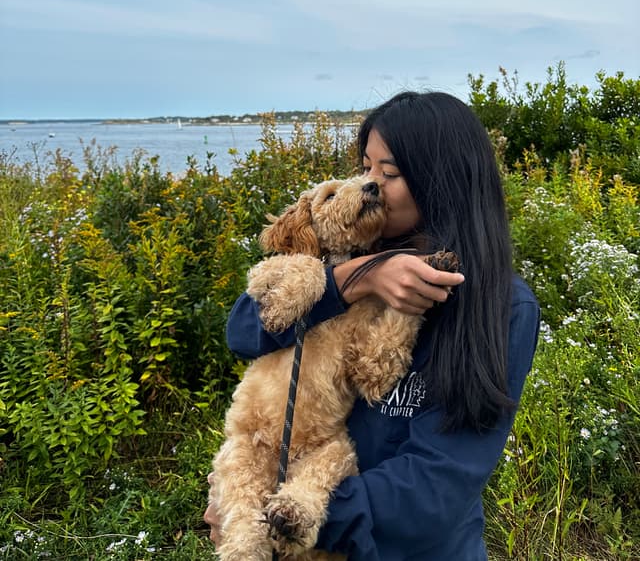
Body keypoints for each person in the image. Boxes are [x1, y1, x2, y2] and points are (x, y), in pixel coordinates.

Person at [204, 90, 540, 560]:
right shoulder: (344, 260)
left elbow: (438, 485)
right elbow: (243, 331)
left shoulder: (501, 307)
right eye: (366, 168)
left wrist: (277, 515)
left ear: (441, 182)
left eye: (390, 172)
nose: (369, 183)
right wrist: (353, 280)